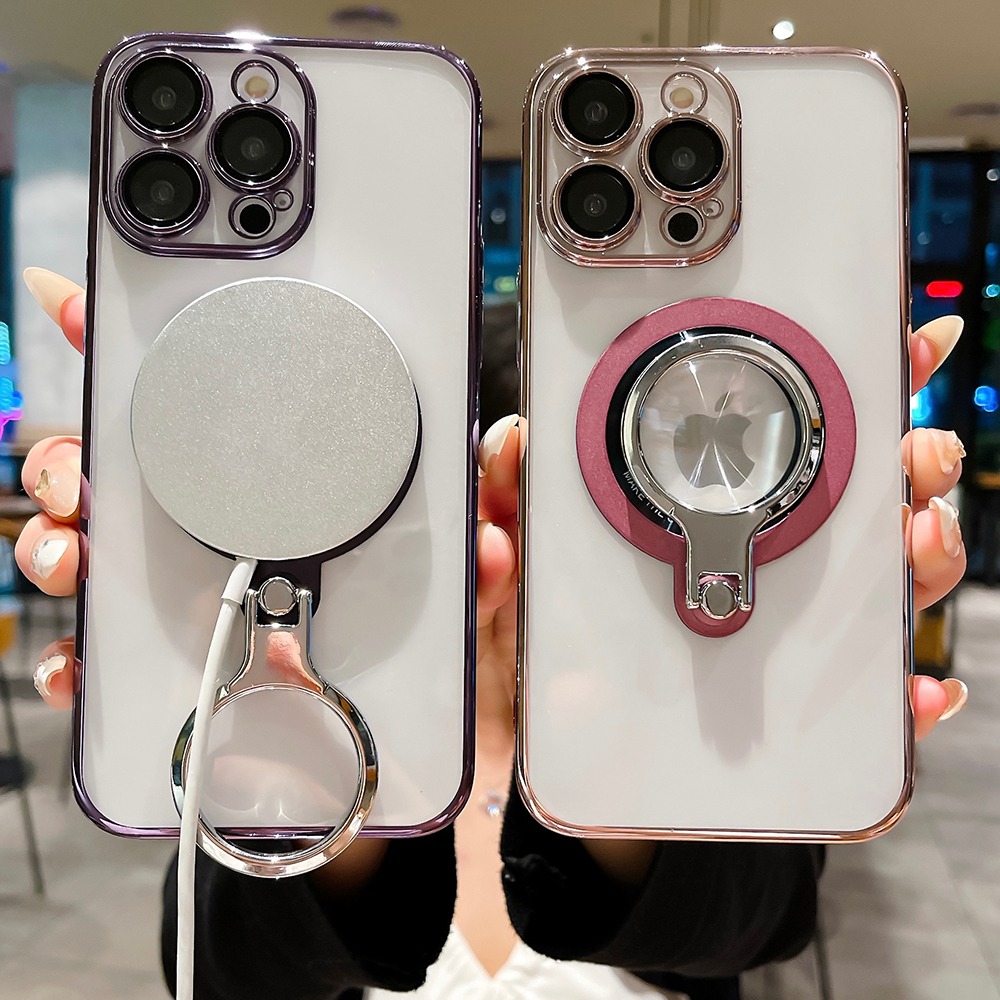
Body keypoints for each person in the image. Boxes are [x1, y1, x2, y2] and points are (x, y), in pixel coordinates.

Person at [18, 267, 969, 999]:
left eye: (529, 506)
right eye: (473, 504)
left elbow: (762, 921)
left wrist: (636, 737)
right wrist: (294, 747)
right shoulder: (318, 692)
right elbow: (221, 967)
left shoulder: (686, 697)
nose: (499, 550)